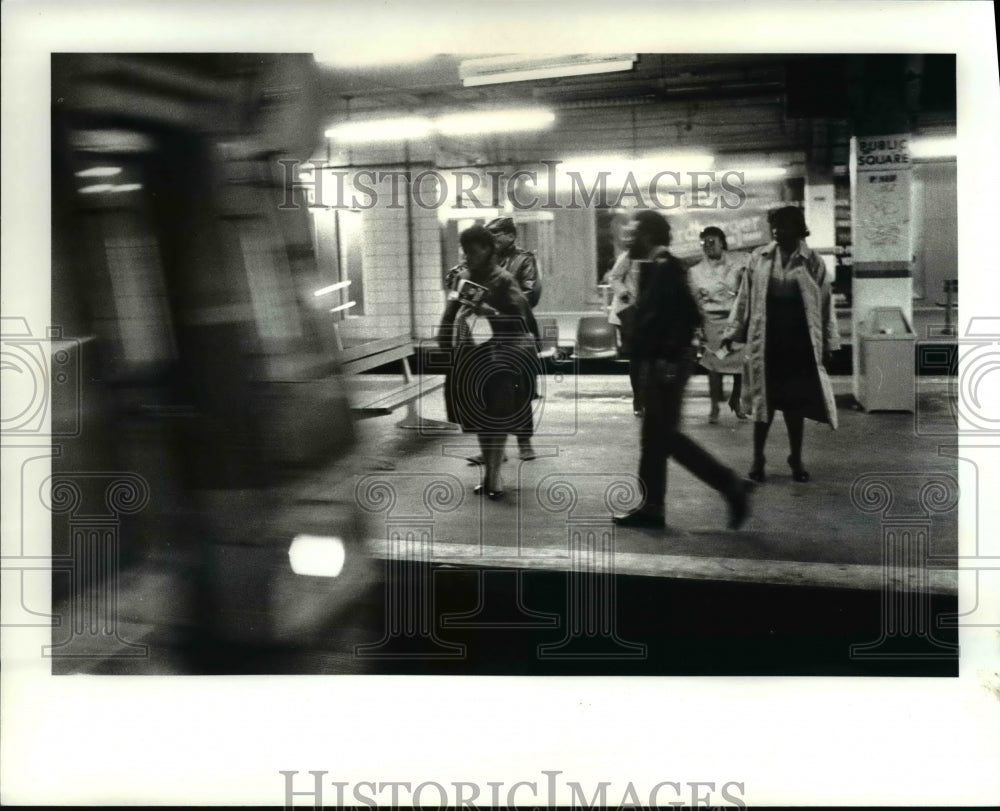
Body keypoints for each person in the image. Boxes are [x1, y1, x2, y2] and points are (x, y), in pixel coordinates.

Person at [613, 211, 752, 531]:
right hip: (660, 362)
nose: (629, 239)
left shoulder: (667, 267)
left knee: (665, 437)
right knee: (655, 437)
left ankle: (730, 486)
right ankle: (652, 507)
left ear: (648, 236)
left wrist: (666, 359)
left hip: (666, 365)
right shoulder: (654, 267)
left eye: (634, 233)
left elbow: (687, 314)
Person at [721, 206, 840, 484]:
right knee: (765, 404)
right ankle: (757, 458)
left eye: (783, 226)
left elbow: (825, 305)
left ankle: (795, 458)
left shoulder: (813, 262)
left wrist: (830, 344)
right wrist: (732, 331)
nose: (776, 231)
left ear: (797, 229)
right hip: (767, 342)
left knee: (794, 406)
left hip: (798, 344)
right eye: (774, 226)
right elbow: (744, 299)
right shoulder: (759, 258)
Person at [439, 225, 538, 499]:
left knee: (497, 416)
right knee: (479, 418)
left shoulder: (504, 280)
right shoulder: (463, 278)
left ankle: (494, 477)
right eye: (465, 252)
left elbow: (523, 321)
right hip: (470, 356)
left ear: (488, 250)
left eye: (473, 251)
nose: (468, 257)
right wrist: (444, 340)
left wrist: (490, 311)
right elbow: (450, 312)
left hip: (501, 359)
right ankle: (490, 473)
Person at [688, 226, 749, 423]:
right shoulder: (695, 271)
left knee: (740, 364)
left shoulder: (740, 262)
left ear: (722, 243)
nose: (708, 246)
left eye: (712, 241)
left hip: (735, 320)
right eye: (704, 243)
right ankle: (714, 406)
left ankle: (736, 401)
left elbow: (747, 290)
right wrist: (698, 328)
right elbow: (694, 301)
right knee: (714, 366)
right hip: (712, 320)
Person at [603, 247, 644, 416]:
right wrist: (625, 294)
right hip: (629, 312)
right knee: (637, 357)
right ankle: (638, 399)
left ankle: (647, 397)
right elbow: (614, 277)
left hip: (650, 311)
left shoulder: (659, 256)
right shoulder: (630, 255)